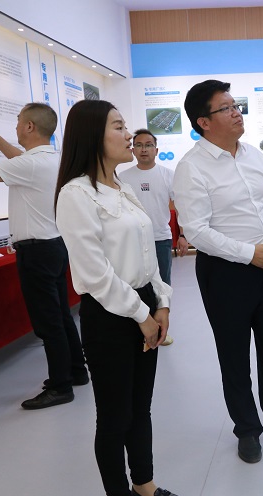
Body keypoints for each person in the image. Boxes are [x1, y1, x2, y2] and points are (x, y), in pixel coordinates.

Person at [55, 99, 186, 496]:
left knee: (140, 407)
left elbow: (149, 257)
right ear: (93, 135)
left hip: (144, 302)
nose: (129, 135)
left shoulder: (121, 187)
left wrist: (161, 303)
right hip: (111, 314)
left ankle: (144, 485)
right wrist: (141, 315)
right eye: (118, 126)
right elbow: (94, 274)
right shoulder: (76, 194)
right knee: (115, 415)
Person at [174, 80, 263, 464]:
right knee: (234, 355)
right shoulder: (191, 168)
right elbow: (197, 231)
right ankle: (247, 429)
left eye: (235, 105)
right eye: (226, 108)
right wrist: (248, 253)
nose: (236, 112)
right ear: (204, 122)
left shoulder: (254, 156)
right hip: (224, 272)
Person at [0, 104, 86, 410]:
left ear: (29, 127)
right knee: (61, 316)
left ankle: (61, 386)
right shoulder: (50, 159)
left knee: (48, 322)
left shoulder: (32, 164)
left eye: (17, 123)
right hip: (54, 246)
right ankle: (76, 371)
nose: (15, 128)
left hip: (37, 252)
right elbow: (18, 159)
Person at [119, 128, 190, 346]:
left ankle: (161, 331)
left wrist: (183, 235)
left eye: (148, 145)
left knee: (162, 286)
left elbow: (180, 206)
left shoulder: (168, 175)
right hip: (133, 240)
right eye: (139, 145)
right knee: (135, 284)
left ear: (156, 150)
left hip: (160, 239)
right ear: (133, 150)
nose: (144, 149)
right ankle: (141, 329)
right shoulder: (122, 178)